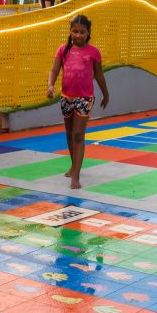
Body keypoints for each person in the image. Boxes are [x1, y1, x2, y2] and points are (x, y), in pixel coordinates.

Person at [46, 14, 110, 189]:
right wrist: (50, 85)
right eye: (75, 31)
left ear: (88, 33)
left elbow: (99, 75)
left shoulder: (93, 52)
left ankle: (76, 175)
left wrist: (106, 94)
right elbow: (54, 70)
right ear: (70, 31)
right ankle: (74, 165)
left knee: (78, 134)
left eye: (82, 32)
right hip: (66, 97)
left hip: (84, 98)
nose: (78, 35)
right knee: (69, 134)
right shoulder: (63, 50)